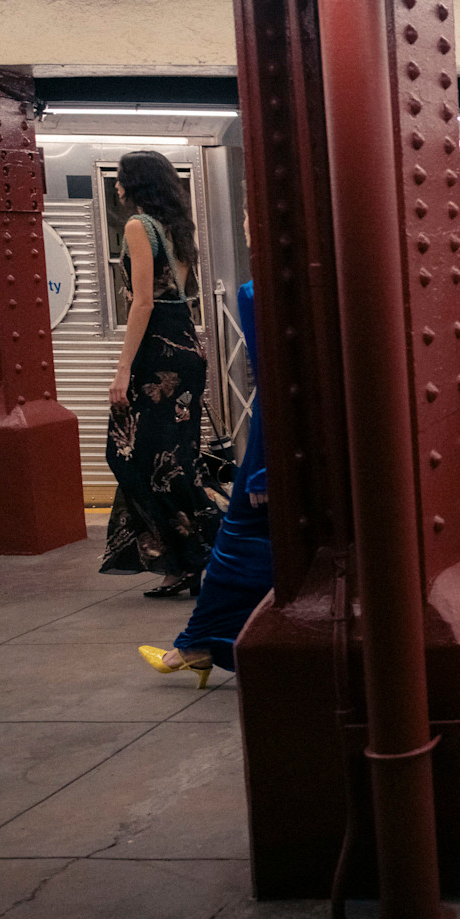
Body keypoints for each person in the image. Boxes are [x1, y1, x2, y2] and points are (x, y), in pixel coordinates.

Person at [100, 150, 224, 594]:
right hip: (186, 345)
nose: (116, 186)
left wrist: (123, 368)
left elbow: (144, 301)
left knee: (130, 456)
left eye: (120, 179)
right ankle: (187, 561)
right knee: (174, 461)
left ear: (135, 183)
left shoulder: (138, 226)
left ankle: (205, 546)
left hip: (158, 352)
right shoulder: (177, 228)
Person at [139, 279, 270, 687]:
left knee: (240, 543)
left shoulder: (255, 292)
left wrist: (263, 467)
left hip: (276, 448)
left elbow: (273, 385)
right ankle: (203, 643)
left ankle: (199, 644)